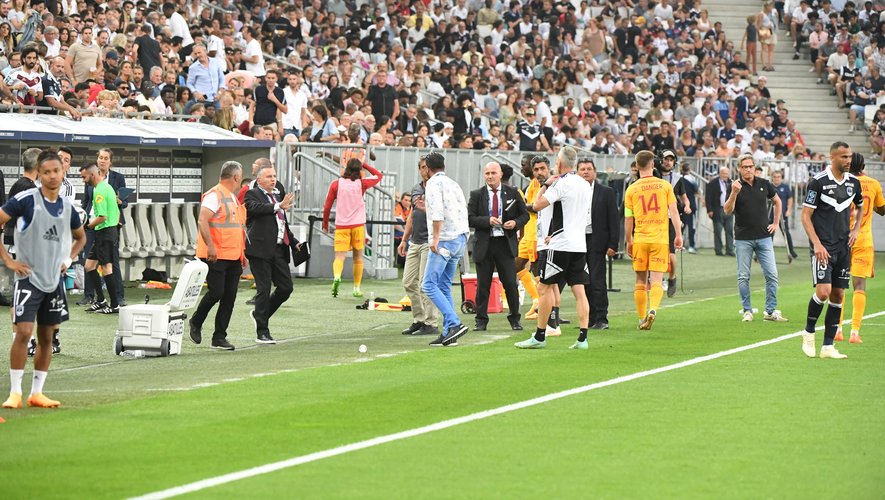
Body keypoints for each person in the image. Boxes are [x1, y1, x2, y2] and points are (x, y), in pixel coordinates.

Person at [0, 151, 85, 411]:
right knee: (24, 332)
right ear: (38, 172)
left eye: (56, 171)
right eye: (46, 172)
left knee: (47, 337)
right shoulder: (25, 200)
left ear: (62, 173)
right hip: (28, 278)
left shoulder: (68, 207)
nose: (51, 176)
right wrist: (8, 260)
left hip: (54, 280)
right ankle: (15, 392)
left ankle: (37, 392)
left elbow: (80, 238)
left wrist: (69, 260)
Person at [515, 146, 592, 350]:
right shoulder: (585, 185)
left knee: (544, 287)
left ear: (558, 163)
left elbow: (538, 205)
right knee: (579, 290)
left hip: (559, 243)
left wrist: (545, 186)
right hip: (579, 244)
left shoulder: (560, 183)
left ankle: (541, 335)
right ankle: (583, 338)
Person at [800, 142, 863, 359]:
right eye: (844, 157)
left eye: (850, 156)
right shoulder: (818, 182)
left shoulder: (854, 183)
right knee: (824, 291)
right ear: (833, 157)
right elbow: (805, 216)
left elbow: (861, 205)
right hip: (822, 247)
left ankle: (828, 346)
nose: (849, 161)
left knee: (838, 295)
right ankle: (808, 333)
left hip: (843, 247)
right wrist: (816, 244)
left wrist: (855, 229)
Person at [723, 154, 788, 323]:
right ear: (739, 169)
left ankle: (770, 311)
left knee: (772, 275)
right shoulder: (735, 186)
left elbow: (778, 201)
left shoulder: (764, 184)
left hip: (764, 237)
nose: (748, 169)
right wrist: (733, 193)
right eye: (744, 167)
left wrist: (775, 222)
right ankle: (747, 310)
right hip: (743, 238)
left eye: (750, 166)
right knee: (743, 276)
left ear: (754, 167)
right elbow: (727, 210)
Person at [189, 161, 246, 351]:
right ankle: (196, 321)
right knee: (216, 292)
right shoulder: (215, 194)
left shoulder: (232, 197)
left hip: (232, 256)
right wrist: (211, 246)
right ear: (236, 177)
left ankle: (219, 337)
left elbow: (237, 228)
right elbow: (202, 220)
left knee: (229, 297)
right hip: (216, 255)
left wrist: (242, 253)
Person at [624, 150, 683, 330]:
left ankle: (642, 318)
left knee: (640, 281)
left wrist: (629, 240)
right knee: (657, 279)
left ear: (637, 166)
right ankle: (654, 309)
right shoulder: (664, 186)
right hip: (660, 239)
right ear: (653, 165)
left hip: (641, 239)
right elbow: (673, 211)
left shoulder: (631, 189)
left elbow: (628, 218)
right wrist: (678, 234)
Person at [467, 161, 528, 331]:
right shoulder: (476, 194)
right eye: (487, 173)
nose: (490, 176)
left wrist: (514, 223)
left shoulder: (513, 192)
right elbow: (469, 218)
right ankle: (481, 320)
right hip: (484, 245)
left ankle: (515, 319)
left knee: (510, 284)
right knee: (483, 285)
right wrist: (487, 221)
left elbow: (525, 216)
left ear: (501, 174)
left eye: (493, 173)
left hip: (505, 244)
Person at [244, 163, 298, 344]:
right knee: (264, 289)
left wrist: (294, 241)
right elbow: (254, 209)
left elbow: (282, 223)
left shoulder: (277, 196)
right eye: (269, 177)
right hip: (259, 250)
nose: (273, 179)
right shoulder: (252, 194)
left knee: (286, 288)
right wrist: (278, 206)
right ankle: (262, 332)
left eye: (274, 176)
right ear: (259, 180)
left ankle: (261, 315)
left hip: (278, 249)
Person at [421, 152, 470, 347]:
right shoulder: (453, 183)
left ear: (427, 168)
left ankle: (455, 322)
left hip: (445, 239)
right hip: (460, 238)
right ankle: (449, 329)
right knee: (443, 285)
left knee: (428, 284)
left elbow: (437, 212)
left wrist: (435, 238)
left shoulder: (433, 184)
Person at [836, 153, 885, 344]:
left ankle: (838, 329)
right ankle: (855, 332)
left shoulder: (843, 182)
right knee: (859, 285)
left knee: (839, 284)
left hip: (842, 239)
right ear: (863, 165)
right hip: (863, 240)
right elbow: (881, 208)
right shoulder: (873, 184)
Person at [321, 159, 383, 298]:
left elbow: (327, 206)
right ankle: (356, 287)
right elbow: (379, 175)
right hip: (358, 225)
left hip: (342, 226)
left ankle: (337, 276)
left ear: (346, 169)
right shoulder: (362, 184)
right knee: (358, 258)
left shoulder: (336, 184)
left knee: (339, 257)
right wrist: (365, 164)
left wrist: (325, 224)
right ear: (360, 170)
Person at [397, 156, 439, 337]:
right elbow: (412, 216)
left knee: (425, 284)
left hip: (429, 242)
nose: (424, 170)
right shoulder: (416, 189)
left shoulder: (438, 188)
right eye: (421, 167)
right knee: (408, 282)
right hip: (415, 241)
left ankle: (431, 322)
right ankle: (419, 319)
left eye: (426, 167)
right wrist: (404, 239)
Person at [81, 148, 127, 307]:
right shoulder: (98, 187)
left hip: (105, 229)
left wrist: (87, 225)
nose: (102, 160)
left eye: (105, 158)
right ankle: (98, 299)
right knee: (89, 264)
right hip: (99, 229)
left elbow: (103, 216)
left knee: (108, 266)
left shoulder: (103, 188)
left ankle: (116, 302)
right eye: (100, 157)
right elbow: (87, 203)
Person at [578, 158, 619, 330]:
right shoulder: (574, 192)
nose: (586, 172)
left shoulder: (606, 192)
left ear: (595, 171)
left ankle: (602, 318)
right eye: (582, 169)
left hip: (597, 241)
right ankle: (590, 318)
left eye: (588, 169)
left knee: (597, 281)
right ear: (577, 172)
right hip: (577, 241)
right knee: (583, 281)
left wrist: (613, 244)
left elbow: (614, 220)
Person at [515, 155, 547, 320]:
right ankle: (536, 300)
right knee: (517, 266)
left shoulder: (539, 184)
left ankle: (542, 303)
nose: (522, 167)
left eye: (524, 164)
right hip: (528, 232)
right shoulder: (530, 185)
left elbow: (537, 208)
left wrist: (521, 206)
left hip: (536, 233)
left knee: (536, 269)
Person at [659, 150, 691, 296]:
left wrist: (687, 206)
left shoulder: (677, 179)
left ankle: (672, 278)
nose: (668, 162)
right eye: (666, 159)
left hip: (671, 218)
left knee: (671, 253)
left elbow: (684, 198)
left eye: (671, 160)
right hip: (655, 218)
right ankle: (657, 280)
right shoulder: (654, 175)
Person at [705, 166, 735, 256]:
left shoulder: (732, 182)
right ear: (720, 173)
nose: (725, 175)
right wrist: (709, 210)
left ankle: (729, 251)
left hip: (729, 210)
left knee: (729, 230)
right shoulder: (713, 183)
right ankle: (718, 251)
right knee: (718, 231)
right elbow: (708, 197)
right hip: (717, 209)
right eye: (723, 173)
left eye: (726, 173)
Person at [770, 170, 799, 262]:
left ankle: (791, 251)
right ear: (772, 178)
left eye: (778, 177)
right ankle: (765, 252)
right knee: (768, 234)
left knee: (786, 233)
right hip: (770, 214)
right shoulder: (769, 187)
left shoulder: (785, 187)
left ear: (781, 178)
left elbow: (790, 199)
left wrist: (789, 210)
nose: (777, 178)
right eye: (775, 177)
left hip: (782, 215)